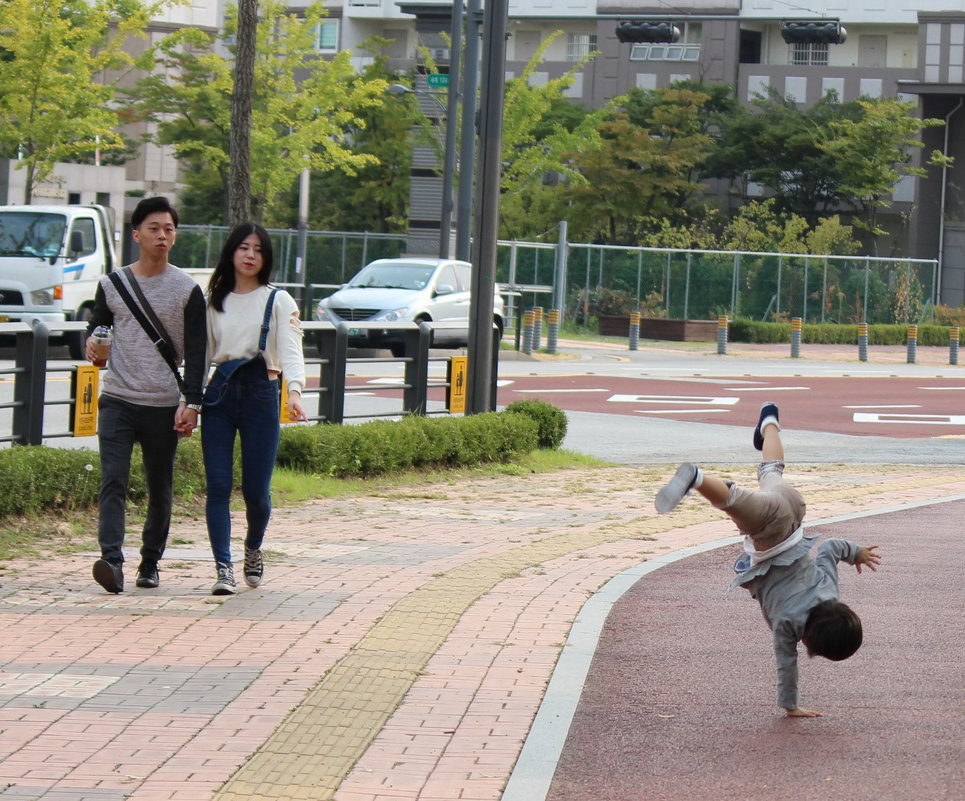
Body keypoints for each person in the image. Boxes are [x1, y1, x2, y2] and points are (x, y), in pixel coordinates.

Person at [654, 401, 882, 717]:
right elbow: (785, 661)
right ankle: (696, 477)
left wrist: (856, 552)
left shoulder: (830, 593)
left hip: (793, 511)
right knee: (733, 502)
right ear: (810, 642)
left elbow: (829, 548)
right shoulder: (788, 626)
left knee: (772, 471)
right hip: (772, 528)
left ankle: (769, 422)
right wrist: (790, 707)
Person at [88, 196, 207, 593]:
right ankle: (112, 562)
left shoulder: (187, 289)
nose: (162, 235)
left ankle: (150, 563)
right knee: (113, 480)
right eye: (154, 228)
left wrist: (191, 402)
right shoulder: (112, 284)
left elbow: (197, 352)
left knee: (160, 486)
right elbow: (97, 330)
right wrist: (91, 346)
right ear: (136, 234)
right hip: (118, 399)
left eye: (169, 229)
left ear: (175, 237)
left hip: (162, 404)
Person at [201, 222, 307, 595]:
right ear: (231, 252)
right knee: (217, 486)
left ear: (266, 257)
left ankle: (253, 547)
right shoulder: (214, 299)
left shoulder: (278, 300)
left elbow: (291, 349)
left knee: (256, 492)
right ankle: (222, 568)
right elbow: (202, 356)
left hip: (263, 394)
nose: (250, 255)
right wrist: (190, 401)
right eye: (243, 247)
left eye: (258, 249)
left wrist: (294, 392)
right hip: (220, 395)